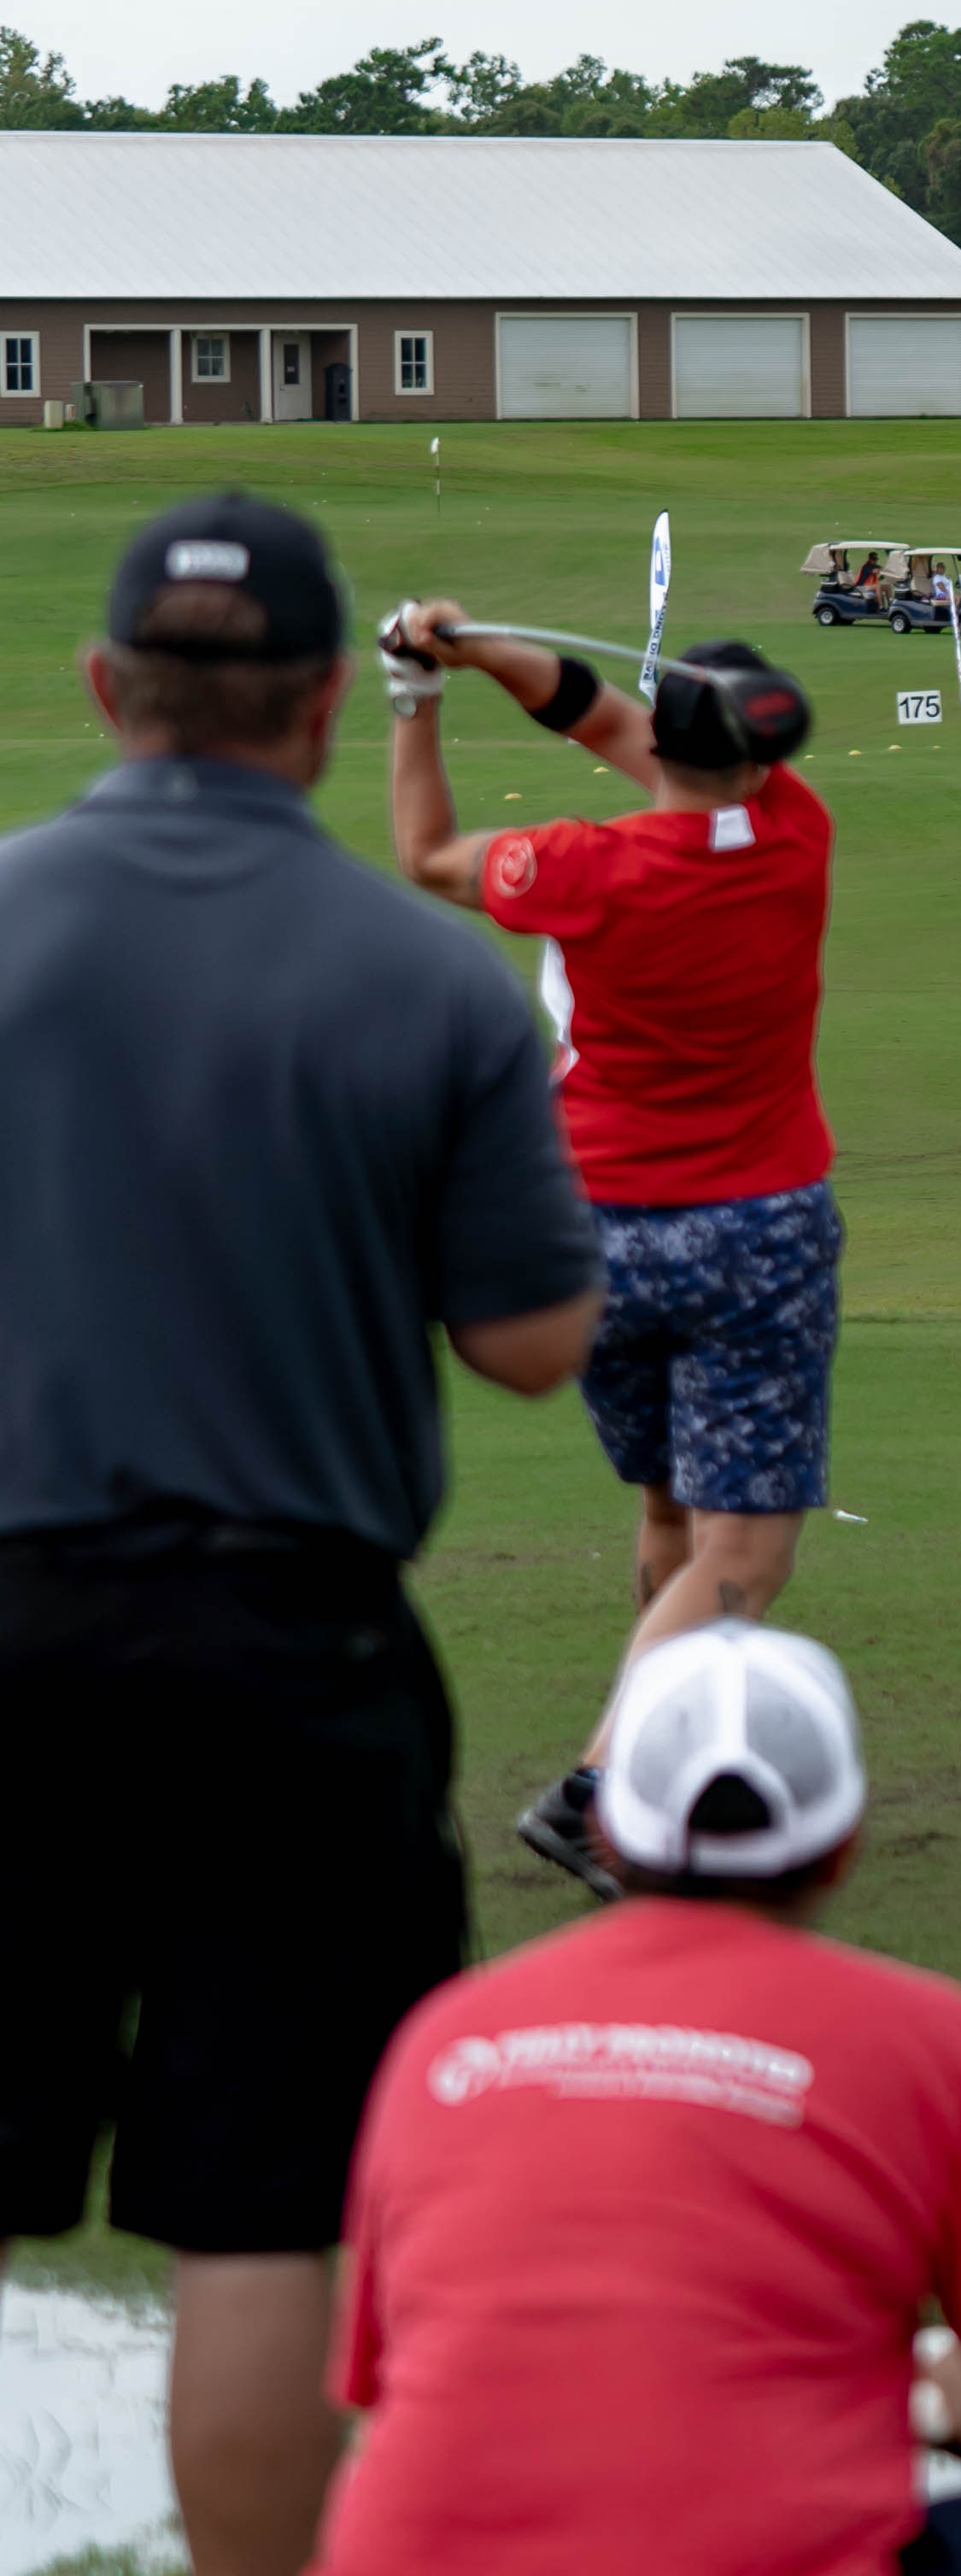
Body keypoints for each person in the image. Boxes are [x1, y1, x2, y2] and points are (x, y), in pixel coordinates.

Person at [0, 491, 605, 2576]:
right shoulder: (427, 980)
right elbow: (534, 1341)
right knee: (262, 2207)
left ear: (107, 688)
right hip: (293, 1650)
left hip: (8, 1617)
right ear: (333, 702)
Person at [321, 1619, 961, 2576]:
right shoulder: (933, 2040)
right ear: (844, 1844)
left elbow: (382, 2383)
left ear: (608, 1834)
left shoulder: (446, 2036)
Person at [383, 601, 839, 1899]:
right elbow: (611, 721)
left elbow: (426, 850)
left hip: (594, 1236)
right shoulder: (797, 830)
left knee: (671, 1510)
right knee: (744, 1552)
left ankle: (658, 1757)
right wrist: (482, 654)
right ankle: (607, 1792)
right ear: (755, 758)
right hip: (758, 1234)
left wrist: (423, 688)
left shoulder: (583, 866)